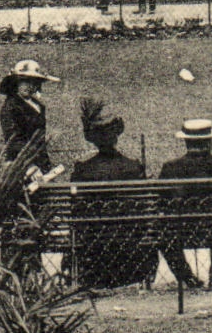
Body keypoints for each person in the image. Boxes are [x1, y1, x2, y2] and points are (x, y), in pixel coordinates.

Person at [66, 99, 169, 288]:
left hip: (94, 250)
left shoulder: (83, 171)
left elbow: (76, 210)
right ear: (116, 136)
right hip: (131, 249)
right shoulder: (133, 167)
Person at [158, 120, 212, 291]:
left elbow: (162, 200)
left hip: (182, 229)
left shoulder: (170, 168)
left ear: (186, 141)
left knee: (165, 237)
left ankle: (188, 279)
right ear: (209, 142)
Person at [0, 59, 59, 180]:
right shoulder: (11, 107)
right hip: (21, 163)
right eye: (25, 82)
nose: (29, 86)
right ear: (16, 83)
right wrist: (29, 165)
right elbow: (14, 140)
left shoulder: (37, 105)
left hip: (41, 160)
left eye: (33, 82)